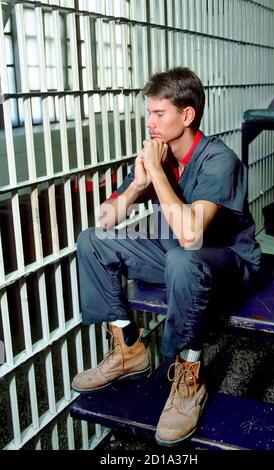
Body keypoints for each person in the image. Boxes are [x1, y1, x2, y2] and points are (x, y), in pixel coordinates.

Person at [71, 67, 261, 447]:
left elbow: (192, 235)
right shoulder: (157, 157)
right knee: (92, 240)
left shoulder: (218, 160)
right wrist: (139, 183)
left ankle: (189, 374)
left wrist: (156, 171)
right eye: (149, 113)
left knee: (182, 258)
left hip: (227, 260)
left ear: (186, 116)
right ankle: (128, 348)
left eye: (159, 114)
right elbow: (105, 218)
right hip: (177, 254)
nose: (150, 122)